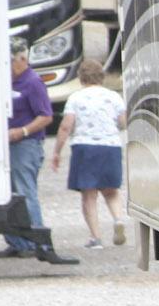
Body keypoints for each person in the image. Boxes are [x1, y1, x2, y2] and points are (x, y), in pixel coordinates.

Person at [0, 38, 80, 265]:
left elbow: (46, 116)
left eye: (10, 62)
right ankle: (17, 242)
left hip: (26, 145)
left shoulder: (33, 82)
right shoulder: (7, 81)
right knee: (10, 193)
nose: (7, 67)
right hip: (8, 144)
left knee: (26, 192)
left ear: (22, 59)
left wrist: (22, 131)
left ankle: (40, 242)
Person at [50, 59, 128, 249]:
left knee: (89, 195)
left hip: (85, 147)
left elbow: (66, 126)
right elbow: (123, 122)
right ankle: (118, 219)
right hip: (110, 146)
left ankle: (96, 238)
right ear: (102, 76)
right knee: (111, 191)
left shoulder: (76, 98)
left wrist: (57, 151)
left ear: (81, 77)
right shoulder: (114, 97)